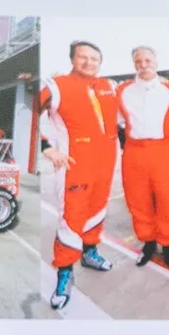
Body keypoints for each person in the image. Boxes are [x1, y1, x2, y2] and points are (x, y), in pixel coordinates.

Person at [37, 40, 119, 310]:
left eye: (94, 58)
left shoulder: (108, 86)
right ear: (72, 59)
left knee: (97, 212)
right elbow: (30, 113)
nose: (89, 62)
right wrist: (47, 148)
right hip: (75, 166)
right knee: (71, 219)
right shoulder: (56, 85)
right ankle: (64, 272)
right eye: (82, 57)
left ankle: (90, 253)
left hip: (105, 165)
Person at [116, 46, 169, 268]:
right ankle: (149, 242)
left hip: (163, 151)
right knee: (138, 200)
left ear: (156, 62)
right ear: (134, 64)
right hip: (134, 151)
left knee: (167, 199)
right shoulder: (122, 91)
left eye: (147, 60)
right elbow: (108, 120)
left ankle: (168, 244)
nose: (143, 65)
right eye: (138, 61)